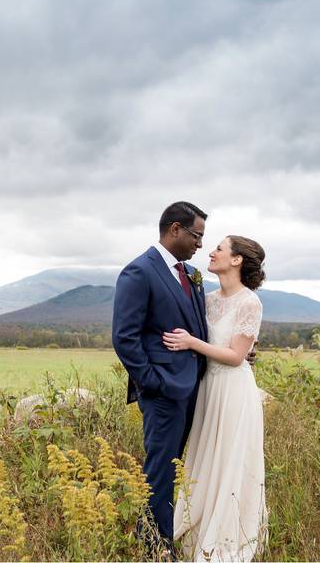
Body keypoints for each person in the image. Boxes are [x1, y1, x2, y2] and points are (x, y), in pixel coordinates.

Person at [112, 201, 210, 556]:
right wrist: (152, 383)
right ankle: (155, 545)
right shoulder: (139, 272)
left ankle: (160, 534)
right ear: (175, 229)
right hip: (163, 391)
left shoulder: (190, 274)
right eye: (196, 235)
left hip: (194, 387)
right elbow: (125, 337)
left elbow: (199, 327)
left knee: (180, 466)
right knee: (161, 468)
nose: (200, 244)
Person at [164, 235, 269, 562]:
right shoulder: (206, 298)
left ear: (236, 260)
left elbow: (237, 356)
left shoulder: (249, 302)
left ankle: (226, 536)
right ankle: (196, 528)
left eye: (220, 248)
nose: (211, 252)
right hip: (208, 389)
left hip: (234, 392)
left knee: (229, 461)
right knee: (204, 457)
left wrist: (192, 343)